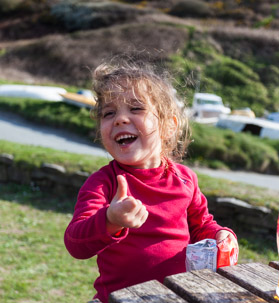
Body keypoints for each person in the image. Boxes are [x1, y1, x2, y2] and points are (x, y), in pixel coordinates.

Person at [64, 60, 238, 303]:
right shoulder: (103, 183)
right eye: (109, 113)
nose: (120, 119)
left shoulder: (185, 179)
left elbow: (201, 225)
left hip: (175, 297)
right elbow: (75, 243)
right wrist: (110, 220)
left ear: (168, 127)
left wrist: (220, 234)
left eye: (136, 108)